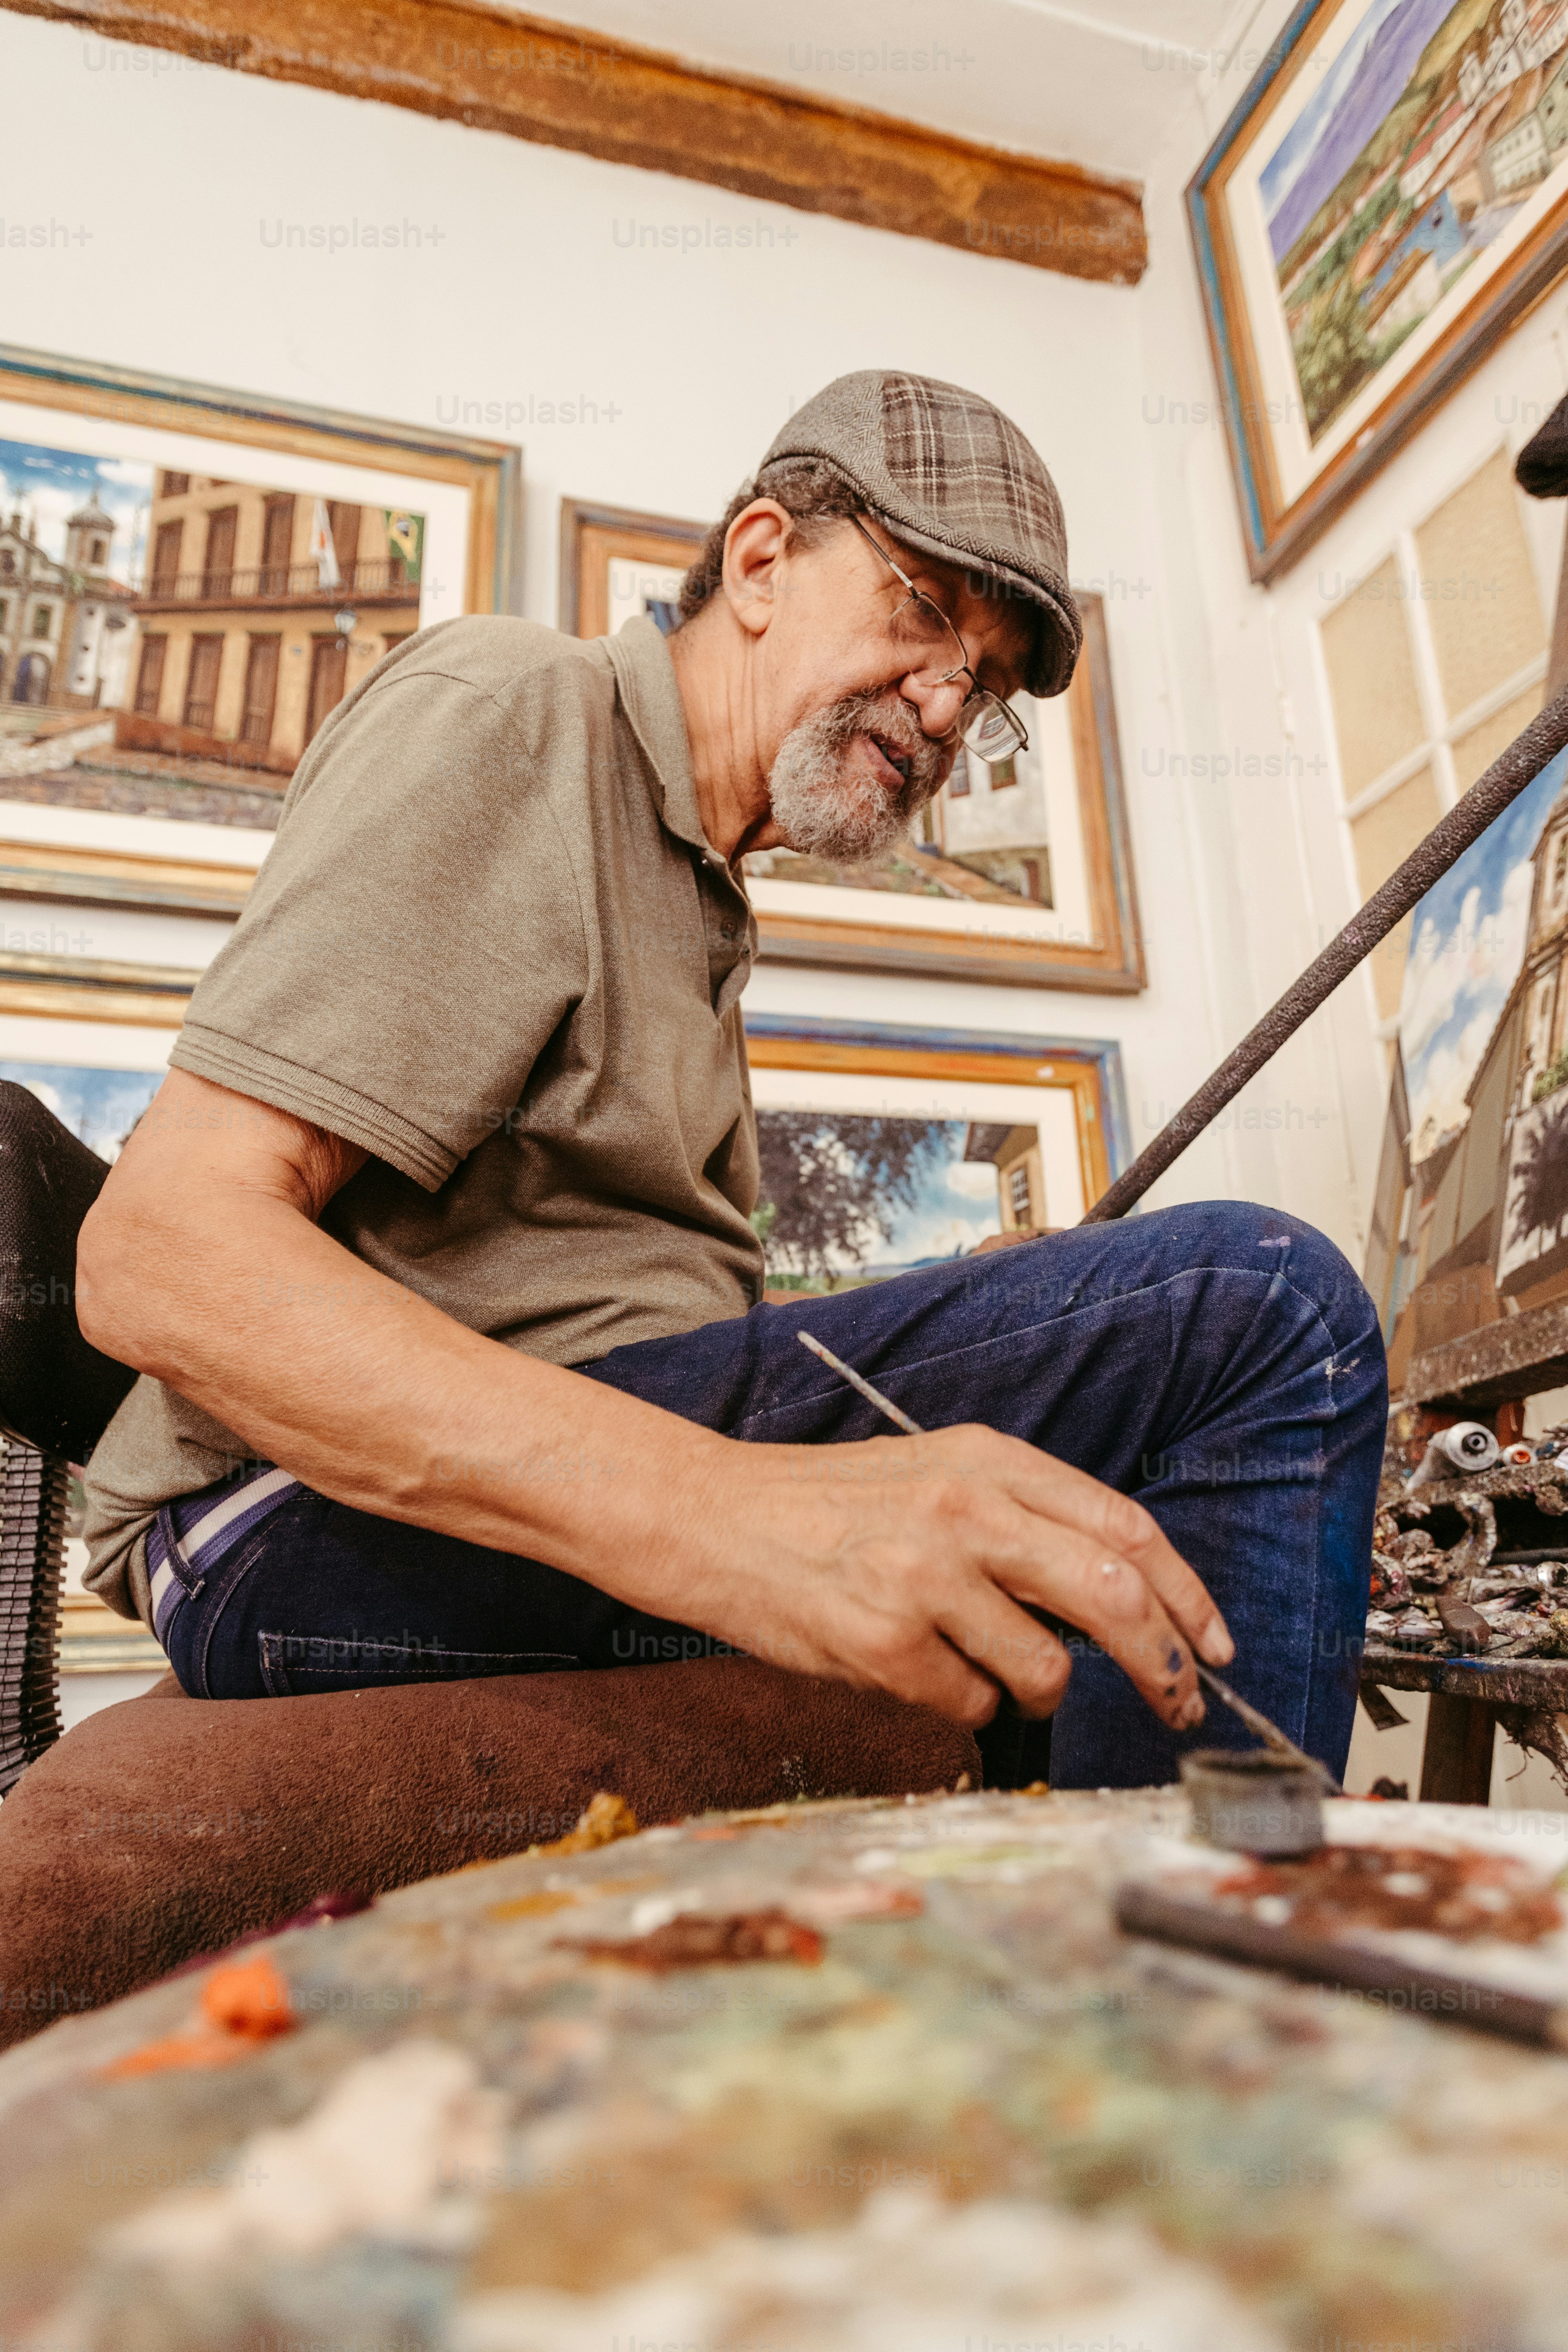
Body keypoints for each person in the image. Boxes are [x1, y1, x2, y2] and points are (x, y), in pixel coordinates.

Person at [76, 371, 1385, 1788]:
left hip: (421, 1494)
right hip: (278, 1526)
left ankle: (1080, 1950)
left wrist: (983, 1336)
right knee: (1261, 1310)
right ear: (760, 561)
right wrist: (741, 1515)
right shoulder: (521, 708)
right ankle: (1200, 1978)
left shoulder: (703, 895)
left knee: (1099, 1421)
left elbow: (602, 1310)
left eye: (989, 687)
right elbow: (162, 1258)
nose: (951, 708)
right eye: (927, 612)